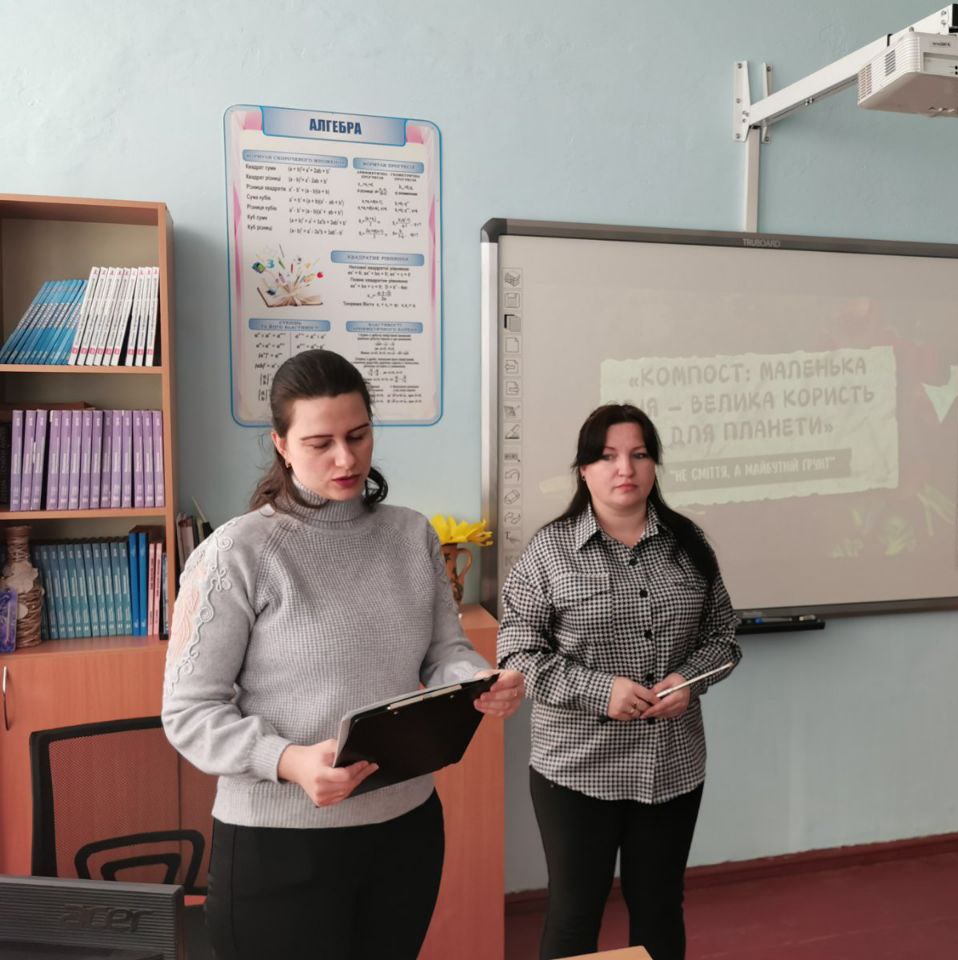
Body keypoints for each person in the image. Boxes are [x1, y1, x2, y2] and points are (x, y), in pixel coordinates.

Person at [162, 349, 523, 960]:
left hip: (405, 830)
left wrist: (477, 680)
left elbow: (444, 652)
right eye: (320, 443)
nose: (346, 459)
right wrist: (288, 761)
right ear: (281, 445)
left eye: (358, 435)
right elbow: (188, 712)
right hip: (278, 845)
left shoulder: (410, 534)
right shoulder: (236, 553)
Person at [498, 403, 742, 960]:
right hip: (577, 770)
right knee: (574, 913)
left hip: (672, 765)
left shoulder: (689, 543)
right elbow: (516, 652)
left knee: (660, 907)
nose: (624, 469)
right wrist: (599, 690)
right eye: (607, 457)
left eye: (639, 454)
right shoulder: (549, 551)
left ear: (655, 465)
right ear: (584, 469)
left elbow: (724, 638)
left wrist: (689, 681)